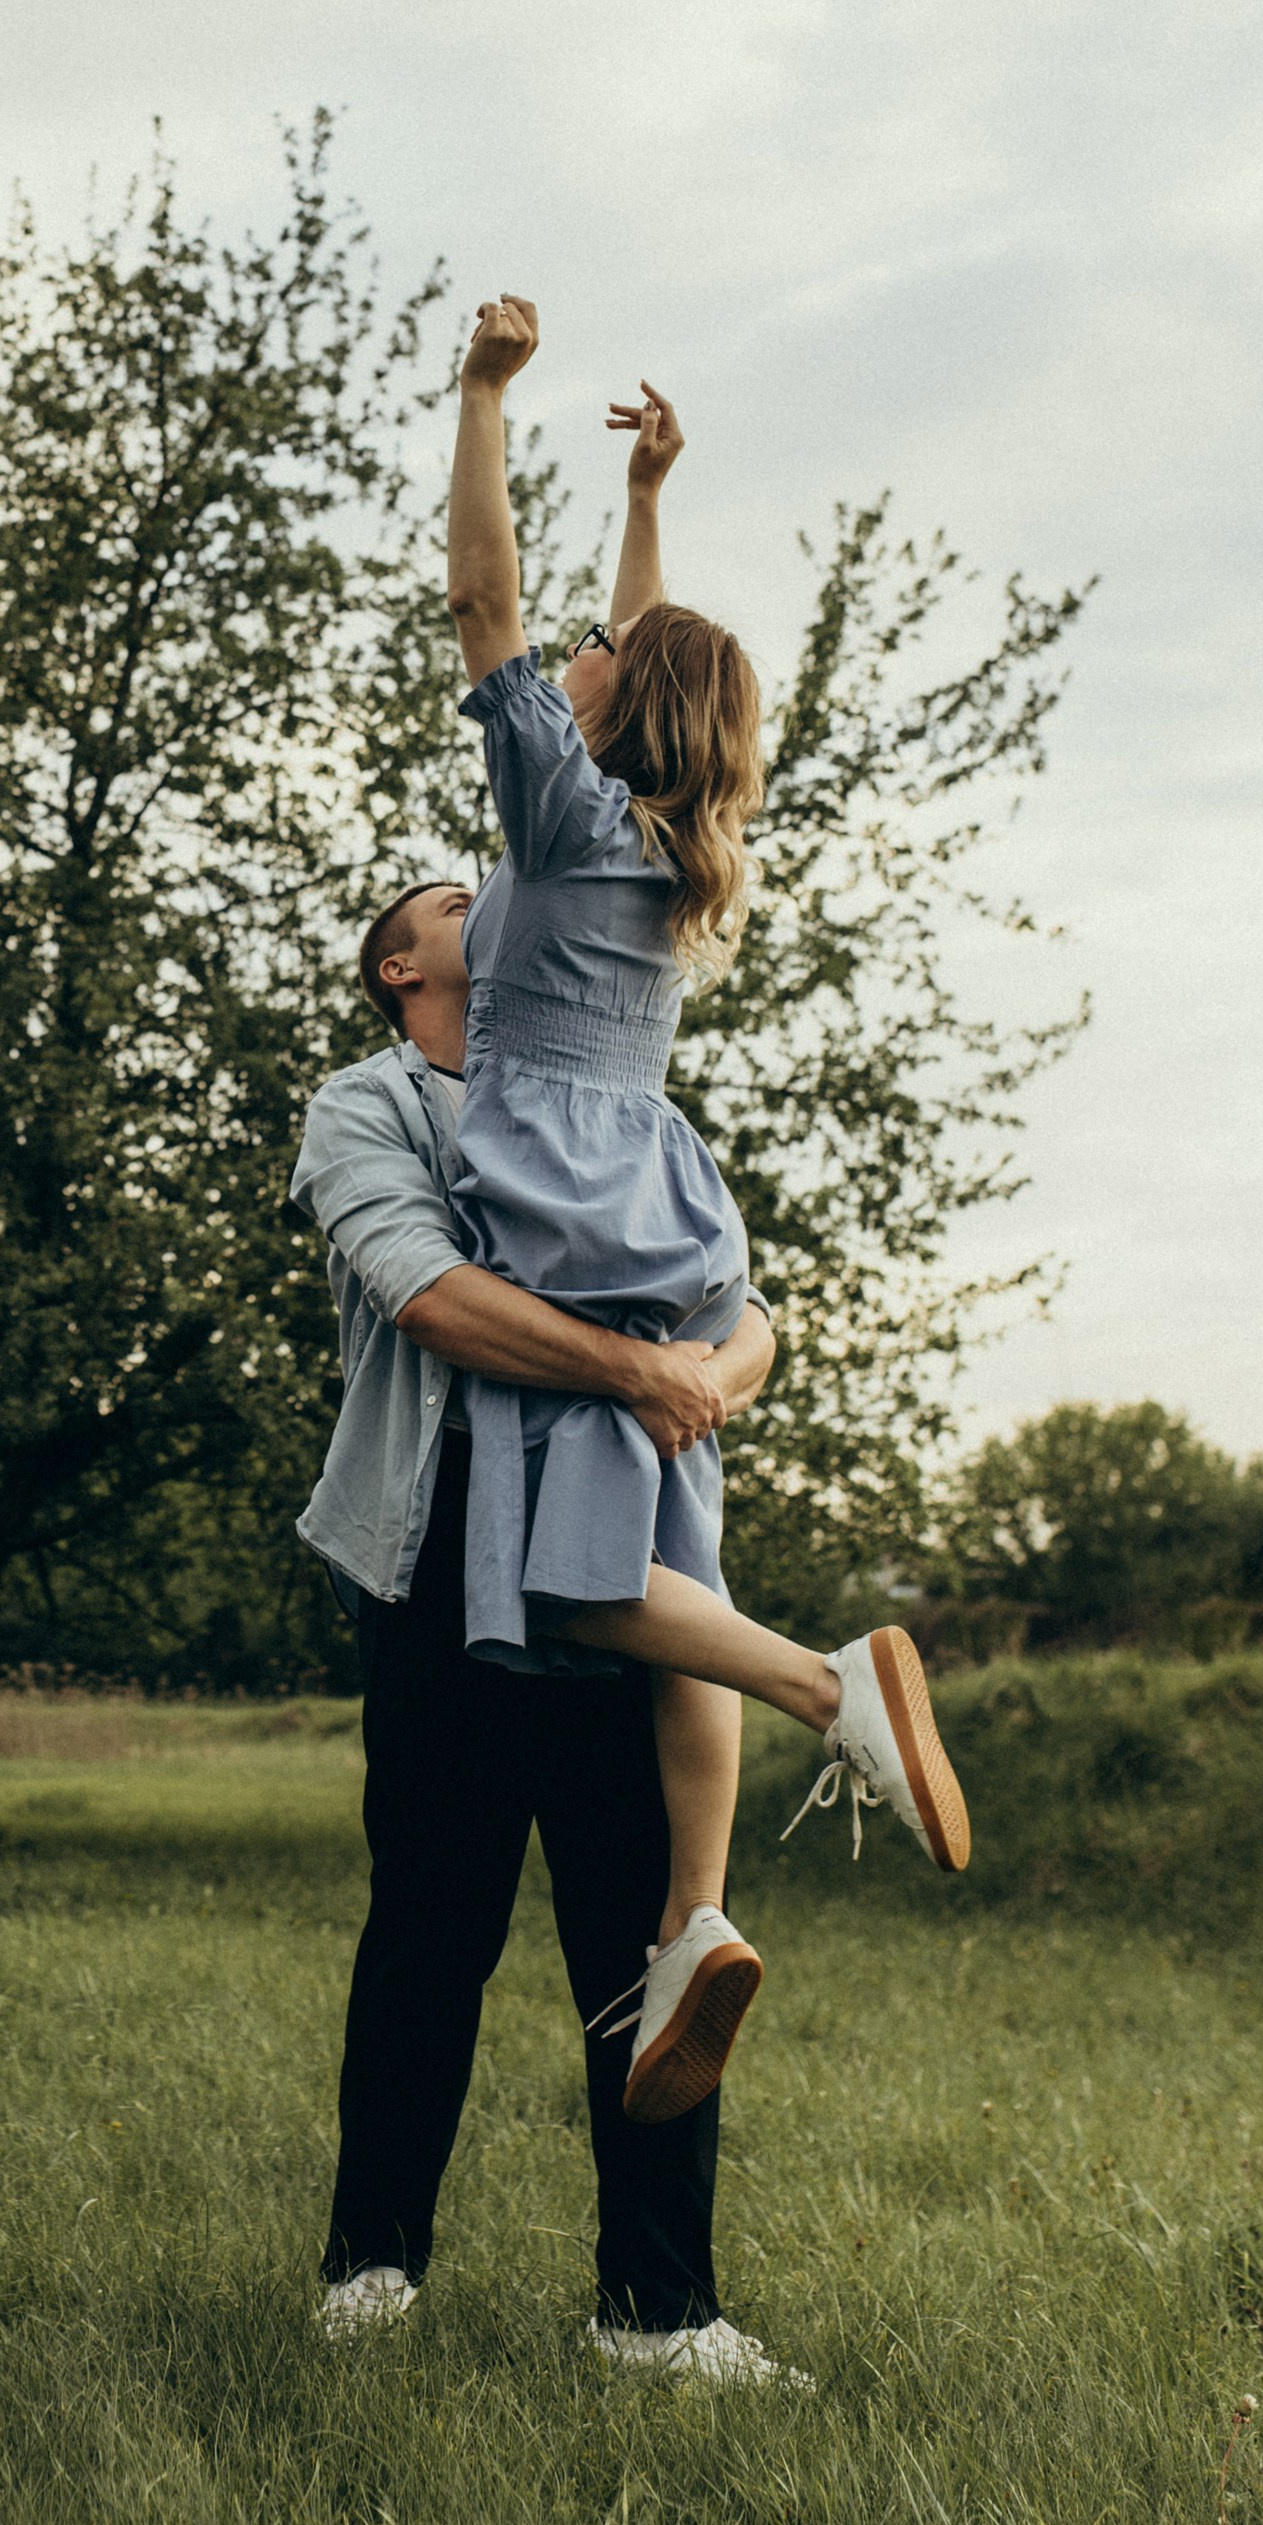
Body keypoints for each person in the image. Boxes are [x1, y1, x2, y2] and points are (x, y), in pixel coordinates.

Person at [436, 295, 968, 2117]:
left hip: (565, 1211)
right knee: (682, 1584)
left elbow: (487, 610)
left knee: (582, 1595)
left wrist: (482, 400)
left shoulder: (561, 821)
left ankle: (843, 1693)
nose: (572, 657)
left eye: (600, 661)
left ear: (608, 712)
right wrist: (653, 491)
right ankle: (696, 1918)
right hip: (669, 1204)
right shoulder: (677, 850)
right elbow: (629, 636)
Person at [294, 874, 791, 2381]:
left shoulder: (614, 1091)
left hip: (613, 1575)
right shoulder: (365, 1106)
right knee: (432, 1932)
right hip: (439, 1565)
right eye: (453, 899)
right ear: (400, 966)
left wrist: (709, 1377)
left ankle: (660, 2312)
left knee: (647, 1939)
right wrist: (644, 1373)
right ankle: (373, 2265)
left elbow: (747, 1310)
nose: (487, 896)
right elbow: (431, 1297)